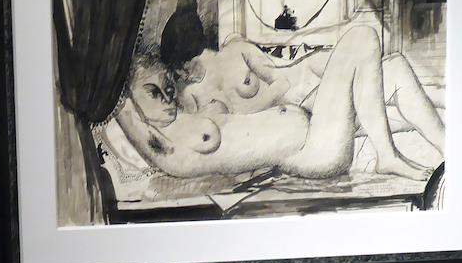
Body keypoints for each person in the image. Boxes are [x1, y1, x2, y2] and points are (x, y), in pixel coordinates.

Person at [116, 27, 443, 184]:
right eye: (153, 92)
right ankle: (387, 156)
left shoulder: (188, 113)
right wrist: (122, 103)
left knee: (395, 66)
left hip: (315, 128)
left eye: (167, 87)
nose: (168, 97)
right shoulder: (166, 144)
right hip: (314, 151)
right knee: (362, 37)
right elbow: (121, 108)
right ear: (130, 98)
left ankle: (451, 147)